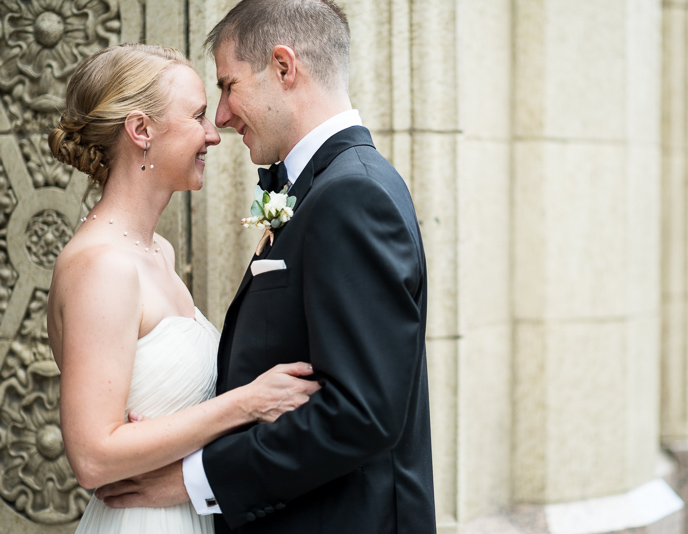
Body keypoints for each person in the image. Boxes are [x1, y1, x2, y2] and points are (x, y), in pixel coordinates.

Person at [95, 0, 436, 532]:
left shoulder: (350, 195)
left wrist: (194, 479)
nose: (222, 118)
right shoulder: (329, 187)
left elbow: (362, 414)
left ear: (284, 67)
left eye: (229, 86)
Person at [47, 43, 320, 534]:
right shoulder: (101, 267)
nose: (214, 134)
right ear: (141, 130)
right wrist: (248, 402)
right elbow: (92, 456)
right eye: (197, 115)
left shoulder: (160, 254)